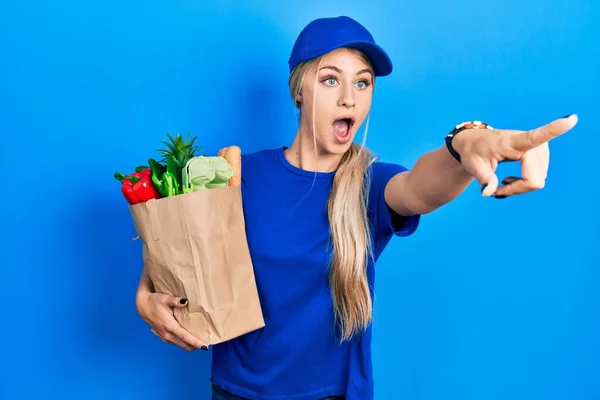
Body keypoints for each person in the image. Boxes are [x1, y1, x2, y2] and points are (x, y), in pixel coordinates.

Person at [134, 15, 578, 400]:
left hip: (331, 394)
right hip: (232, 391)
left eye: (362, 82)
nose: (349, 97)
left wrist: (467, 142)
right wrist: (145, 297)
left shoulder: (370, 183)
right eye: (331, 79)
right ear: (299, 91)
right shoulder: (236, 174)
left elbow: (420, 187)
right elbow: (182, 253)